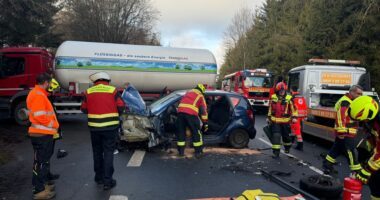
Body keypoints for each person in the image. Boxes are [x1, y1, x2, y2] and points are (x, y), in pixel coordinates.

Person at [81, 72, 125, 190]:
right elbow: (121, 106)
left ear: (95, 81)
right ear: (107, 81)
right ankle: (107, 181)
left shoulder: (88, 92)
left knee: (97, 152)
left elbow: (84, 109)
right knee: (108, 152)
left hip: (94, 128)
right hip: (110, 128)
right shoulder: (113, 90)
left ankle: (98, 177)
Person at [26, 73, 59, 199]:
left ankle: (42, 186)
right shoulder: (38, 95)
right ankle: (39, 191)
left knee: (41, 162)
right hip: (42, 134)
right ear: (45, 82)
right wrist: (53, 125)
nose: (50, 85)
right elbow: (40, 116)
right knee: (41, 163)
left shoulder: (37, 93)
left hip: (41, 133)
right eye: (49, 82)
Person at [323, 85, 363, 174]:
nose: (360, 96)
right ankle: (357, 172)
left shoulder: (350, 101)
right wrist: (341, 132)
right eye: (358, 93)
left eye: (361, 94)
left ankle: (327, 165)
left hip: (347, 132)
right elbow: (340, 118)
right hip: (345, 133)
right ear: (351, 92)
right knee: (351, 152)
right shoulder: (345, 102)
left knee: (336, 149)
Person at [347, 96, 379, 200]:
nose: (362, 123)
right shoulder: (371, 120)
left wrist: (368, 170)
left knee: (376, 180)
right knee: (375, 183)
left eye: (362, 120)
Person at [176, 84, 208, 158]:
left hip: (180, 114)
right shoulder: (200, 95)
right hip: (191, 115)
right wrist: (205, 122)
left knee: (181, 132)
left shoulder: (188, 92)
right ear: (202, 90)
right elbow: (203, 111)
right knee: (196, 133)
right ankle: (198, 152)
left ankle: (181, 152)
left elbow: (180, 103)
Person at [267, 82, 297, 158]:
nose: (282, 92)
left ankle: (287, 147)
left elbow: (294, 109)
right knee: (276, 136)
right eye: (280, 91)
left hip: (285, 122)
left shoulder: (289, 98)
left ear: (285, 90)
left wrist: (294, 117)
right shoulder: (273, 97)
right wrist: (268, 117)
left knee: (286, 137)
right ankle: (276, 152)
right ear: (277, 90)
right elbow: (270, 108)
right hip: (275, 121)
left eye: (283, 91)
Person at [290, 86, 307, 151]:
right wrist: (305, 116)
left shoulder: (293, 97)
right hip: (301, 115)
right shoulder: (302, 97)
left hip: (295, 116)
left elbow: (292, 107)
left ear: (291, 90)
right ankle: (291, 141)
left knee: (297, 130)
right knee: (293, 129)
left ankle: (300, 145)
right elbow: (305, 106)